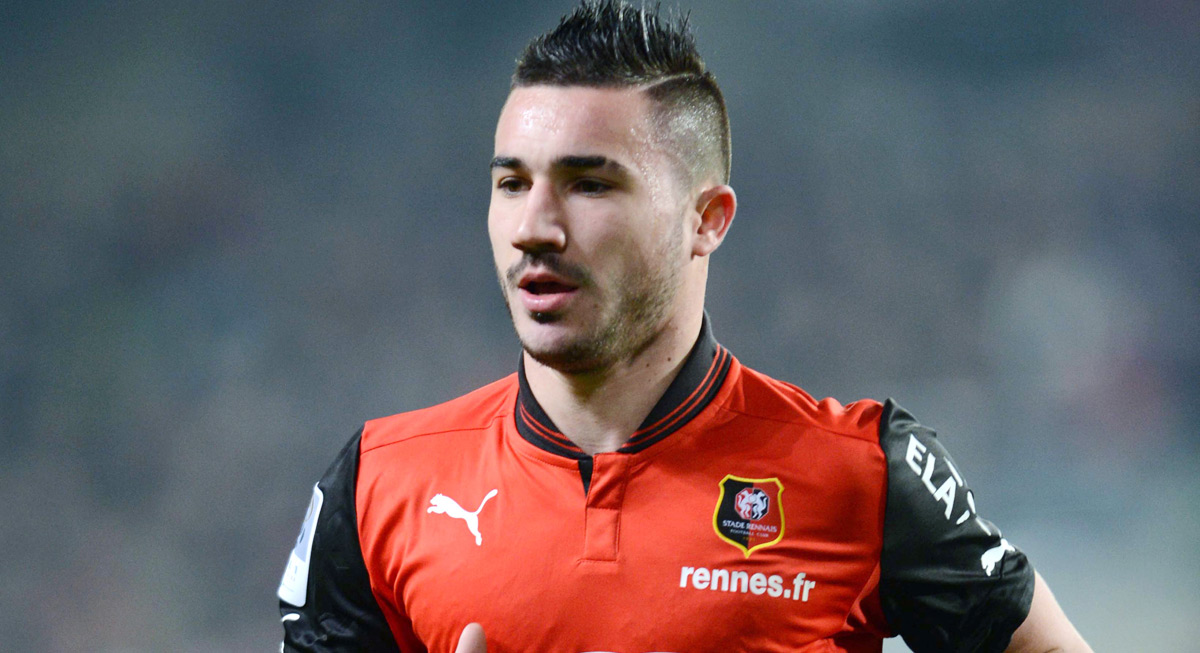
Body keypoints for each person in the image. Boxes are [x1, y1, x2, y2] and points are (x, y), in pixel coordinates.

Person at [278, 2, 1092, 651]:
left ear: (707, 219)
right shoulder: (378, 485)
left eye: (590, 185)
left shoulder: (867, 474)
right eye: (512, 183)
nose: (534, 227)